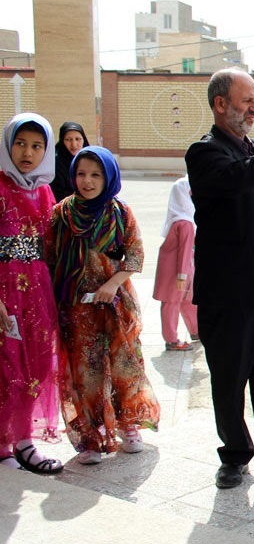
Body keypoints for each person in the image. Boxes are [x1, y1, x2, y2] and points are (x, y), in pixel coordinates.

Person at [185, 68, 254, 489]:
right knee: (229, 381)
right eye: (246, 100)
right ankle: (234, 454)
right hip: (229, 298)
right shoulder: (205, 152)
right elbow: (237, 177)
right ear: (220, 104)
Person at [48, 146, 160, 464]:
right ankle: (91, 436)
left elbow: (135, 256)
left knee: (125, 366)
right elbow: (51, 258)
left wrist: (110, 286)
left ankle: (129, 426)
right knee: (86, 372)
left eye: (96, 174)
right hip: (77, 309)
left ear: (108, 176)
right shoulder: (62, 213)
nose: (87, 181)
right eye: (81, 173)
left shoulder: (120, 213)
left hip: (115, 305)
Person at [0, 112, 63, 474]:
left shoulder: (43, 190)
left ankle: (24, 440)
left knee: (35, 363)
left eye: (37, 146)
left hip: (37, 288)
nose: (28, 152)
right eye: (20, 143)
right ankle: (2, 443)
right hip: (4, 288)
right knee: (6, 364)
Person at [153, 175, 198, 351]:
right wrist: (182, 275)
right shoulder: (185, 223)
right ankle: (171, 339)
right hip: (177, 271)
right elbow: (185, 251)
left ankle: (196, 330)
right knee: (172, 302)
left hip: (183, 269)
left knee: (187, 300)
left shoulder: (180, 220)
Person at [51, 121, 90, 202]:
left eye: (78, 139)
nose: (74, 144)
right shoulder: (56, 163)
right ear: (62, 141)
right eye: (68, 140)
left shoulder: (91, 160)